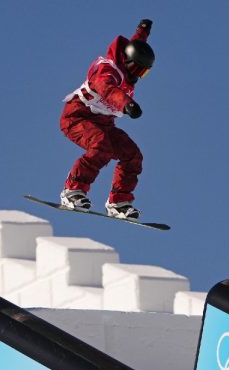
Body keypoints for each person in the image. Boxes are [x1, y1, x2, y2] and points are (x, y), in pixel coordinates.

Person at [59, 19, 155, 220]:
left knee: (132, 155)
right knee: (101, 145)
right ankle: (72, 191)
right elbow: (106, 89)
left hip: (104, 123)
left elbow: (133, 45)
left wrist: (142, 31)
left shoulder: (127, 66)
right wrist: (126, 103)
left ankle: (118, 201)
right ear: (128, 61)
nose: (138, 76)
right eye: (138, 69)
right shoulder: (108, 70)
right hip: (77, 117)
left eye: (144, 73)